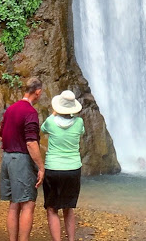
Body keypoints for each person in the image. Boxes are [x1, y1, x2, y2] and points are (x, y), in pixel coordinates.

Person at [0, 77, 44, 241]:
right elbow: (31, 142)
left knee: (13, 204)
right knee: (28, 204)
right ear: (37, 92)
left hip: (7, 159)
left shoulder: (11, 109)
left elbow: (1, 134)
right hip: (21, 160)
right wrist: (41, 167)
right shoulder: (30, 112)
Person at [40, 90, 85, 241]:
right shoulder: (79, 122)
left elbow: (43, 129)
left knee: (52, 208)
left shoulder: (51, 122)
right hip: (73, 169)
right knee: (68, 208)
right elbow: (81, 132)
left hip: (53, 169)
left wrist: (54, 113)